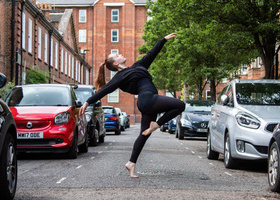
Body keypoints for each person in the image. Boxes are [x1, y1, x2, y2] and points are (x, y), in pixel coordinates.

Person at [79, 33, 185, 178]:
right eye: (117, 56)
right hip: (149, 99)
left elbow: (151, 54)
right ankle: (157, 124)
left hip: (146, 103)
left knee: (143, 135)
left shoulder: (138, 66)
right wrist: (87, 102)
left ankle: (131, 163)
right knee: (180, 105)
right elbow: (104, 90)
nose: (120, 54)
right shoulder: (119, 78)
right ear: (115, 64)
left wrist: (163, 40)